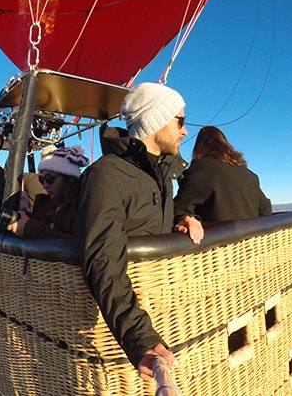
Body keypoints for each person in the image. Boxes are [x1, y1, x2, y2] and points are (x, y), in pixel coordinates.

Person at [76, 82, 199, 381]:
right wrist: (140, 339)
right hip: (124, 335)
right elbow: (103, 260)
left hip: (166, 315)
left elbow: (139, 220)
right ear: (155, 120)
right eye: (180, 121)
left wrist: (179, 219)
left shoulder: (159, 177)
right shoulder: (105, 176)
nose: (185, 131)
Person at [173, 125, 272, 228]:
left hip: (217, 241)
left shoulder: (203, 169)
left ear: (199, 146)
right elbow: (265, 207)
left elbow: (178, 209)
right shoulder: (250, 175)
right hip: (251, 242)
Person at [6, 144, 90, 239]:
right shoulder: (47, 206)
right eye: (42, 179)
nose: (45, 185)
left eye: (50, 178)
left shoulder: (81, 209)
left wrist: (30, 227)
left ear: (69, 179)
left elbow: (78, 245)